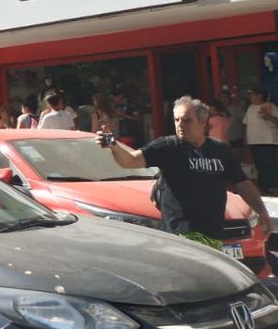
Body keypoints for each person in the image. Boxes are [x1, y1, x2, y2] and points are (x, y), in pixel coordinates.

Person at [106, 96, 271, 245]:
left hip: (213, 234)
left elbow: (242, 183)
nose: (180, 125)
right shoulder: (166, 146)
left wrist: (261, 211)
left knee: (210, 277)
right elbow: (130, 161)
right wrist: (112, 145)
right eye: (176, 120)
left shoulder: (220, 150)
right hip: (180, 235)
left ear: (202, 121)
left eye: (186, 120)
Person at [242, 86, 278, 193]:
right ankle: (264, 188)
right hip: (254, 142)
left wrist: (268, 115)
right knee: (259, 166)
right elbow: (245, 125)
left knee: (269, 165)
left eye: (252, 94)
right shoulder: (250, 108)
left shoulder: (271, 106)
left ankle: (273, 187)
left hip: (268, 142)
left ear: (260, 95)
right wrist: (245, 142)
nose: (250, 97)